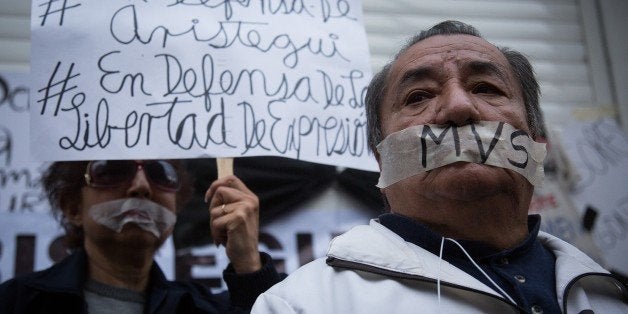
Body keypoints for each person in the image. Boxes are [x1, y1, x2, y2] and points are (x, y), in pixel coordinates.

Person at [252, 20, 628, 313]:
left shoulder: (611, 294)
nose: (459, 107)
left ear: (534, 138)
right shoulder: (301, 306)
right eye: (418, 96)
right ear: (382, 157)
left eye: (486, 88)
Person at [0, 159, 282, 313]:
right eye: (111, 170)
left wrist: (249, 266)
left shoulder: (203, 309)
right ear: (73, 207)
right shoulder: (15, 303)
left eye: (161, 172)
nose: (141, 186)